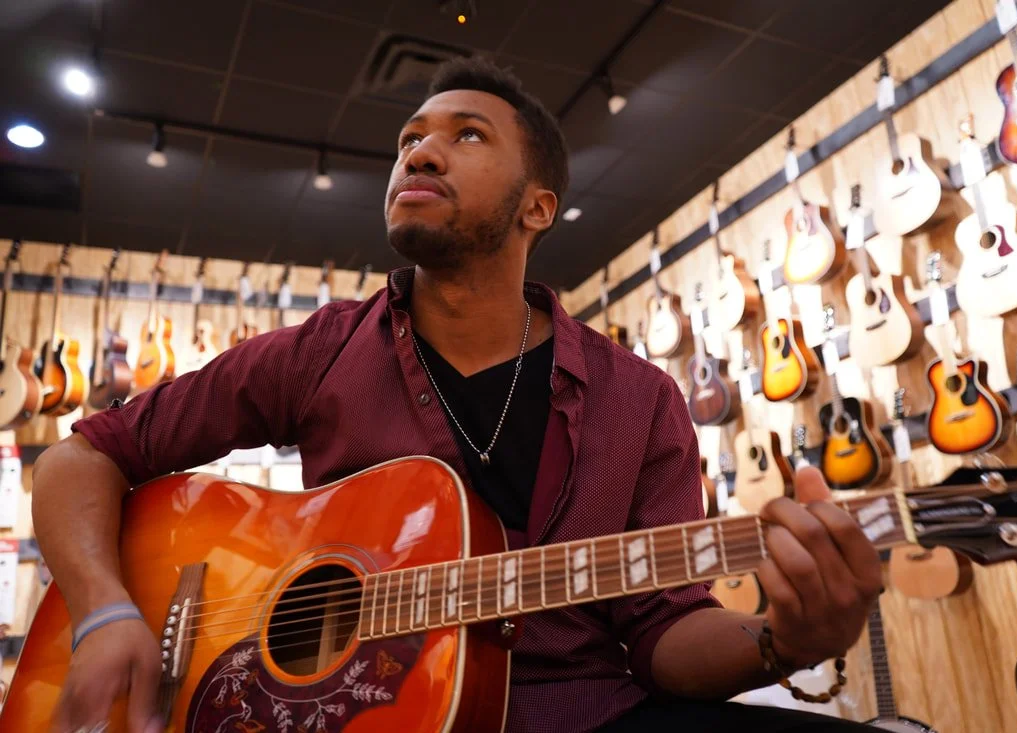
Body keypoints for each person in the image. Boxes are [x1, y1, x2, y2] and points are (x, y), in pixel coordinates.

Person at [32, 58, 882, 733]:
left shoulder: (643, 398)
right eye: (409, 139)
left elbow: (664, 635)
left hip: (589, 715)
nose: (419, 152)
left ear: (538, 208)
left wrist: (783, 641)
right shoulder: (318, 353)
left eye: (466, 135)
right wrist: (106, 610)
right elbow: (83, 455)